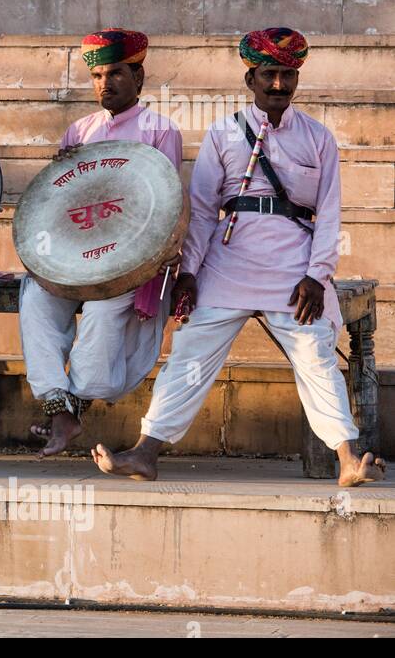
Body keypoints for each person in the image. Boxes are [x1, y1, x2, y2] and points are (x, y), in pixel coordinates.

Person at [94, 28, 386, 487]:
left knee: (315, 353)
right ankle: (146, 453)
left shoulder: (318, 138)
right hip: (227, 264)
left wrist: (317, 275)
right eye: (269, 74)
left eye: (287, 75)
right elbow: (205, 209)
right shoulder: (223, 132)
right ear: (251, 79)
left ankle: (348, 458)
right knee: (190, 353)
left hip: (294, 270)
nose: (278, 85)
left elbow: (328, 215)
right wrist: (189, 272)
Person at [19, 28, 184, 457]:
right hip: (77, 255)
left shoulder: (159, 131)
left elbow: (163, 205)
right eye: (97, 76)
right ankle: (59, 403)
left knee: (103, 309)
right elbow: (56, 203)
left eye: (115, 74)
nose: (105, 84)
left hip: (133, 258)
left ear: (139, 78)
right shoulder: (78, 131)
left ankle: (73, 406)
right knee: (36, 297)